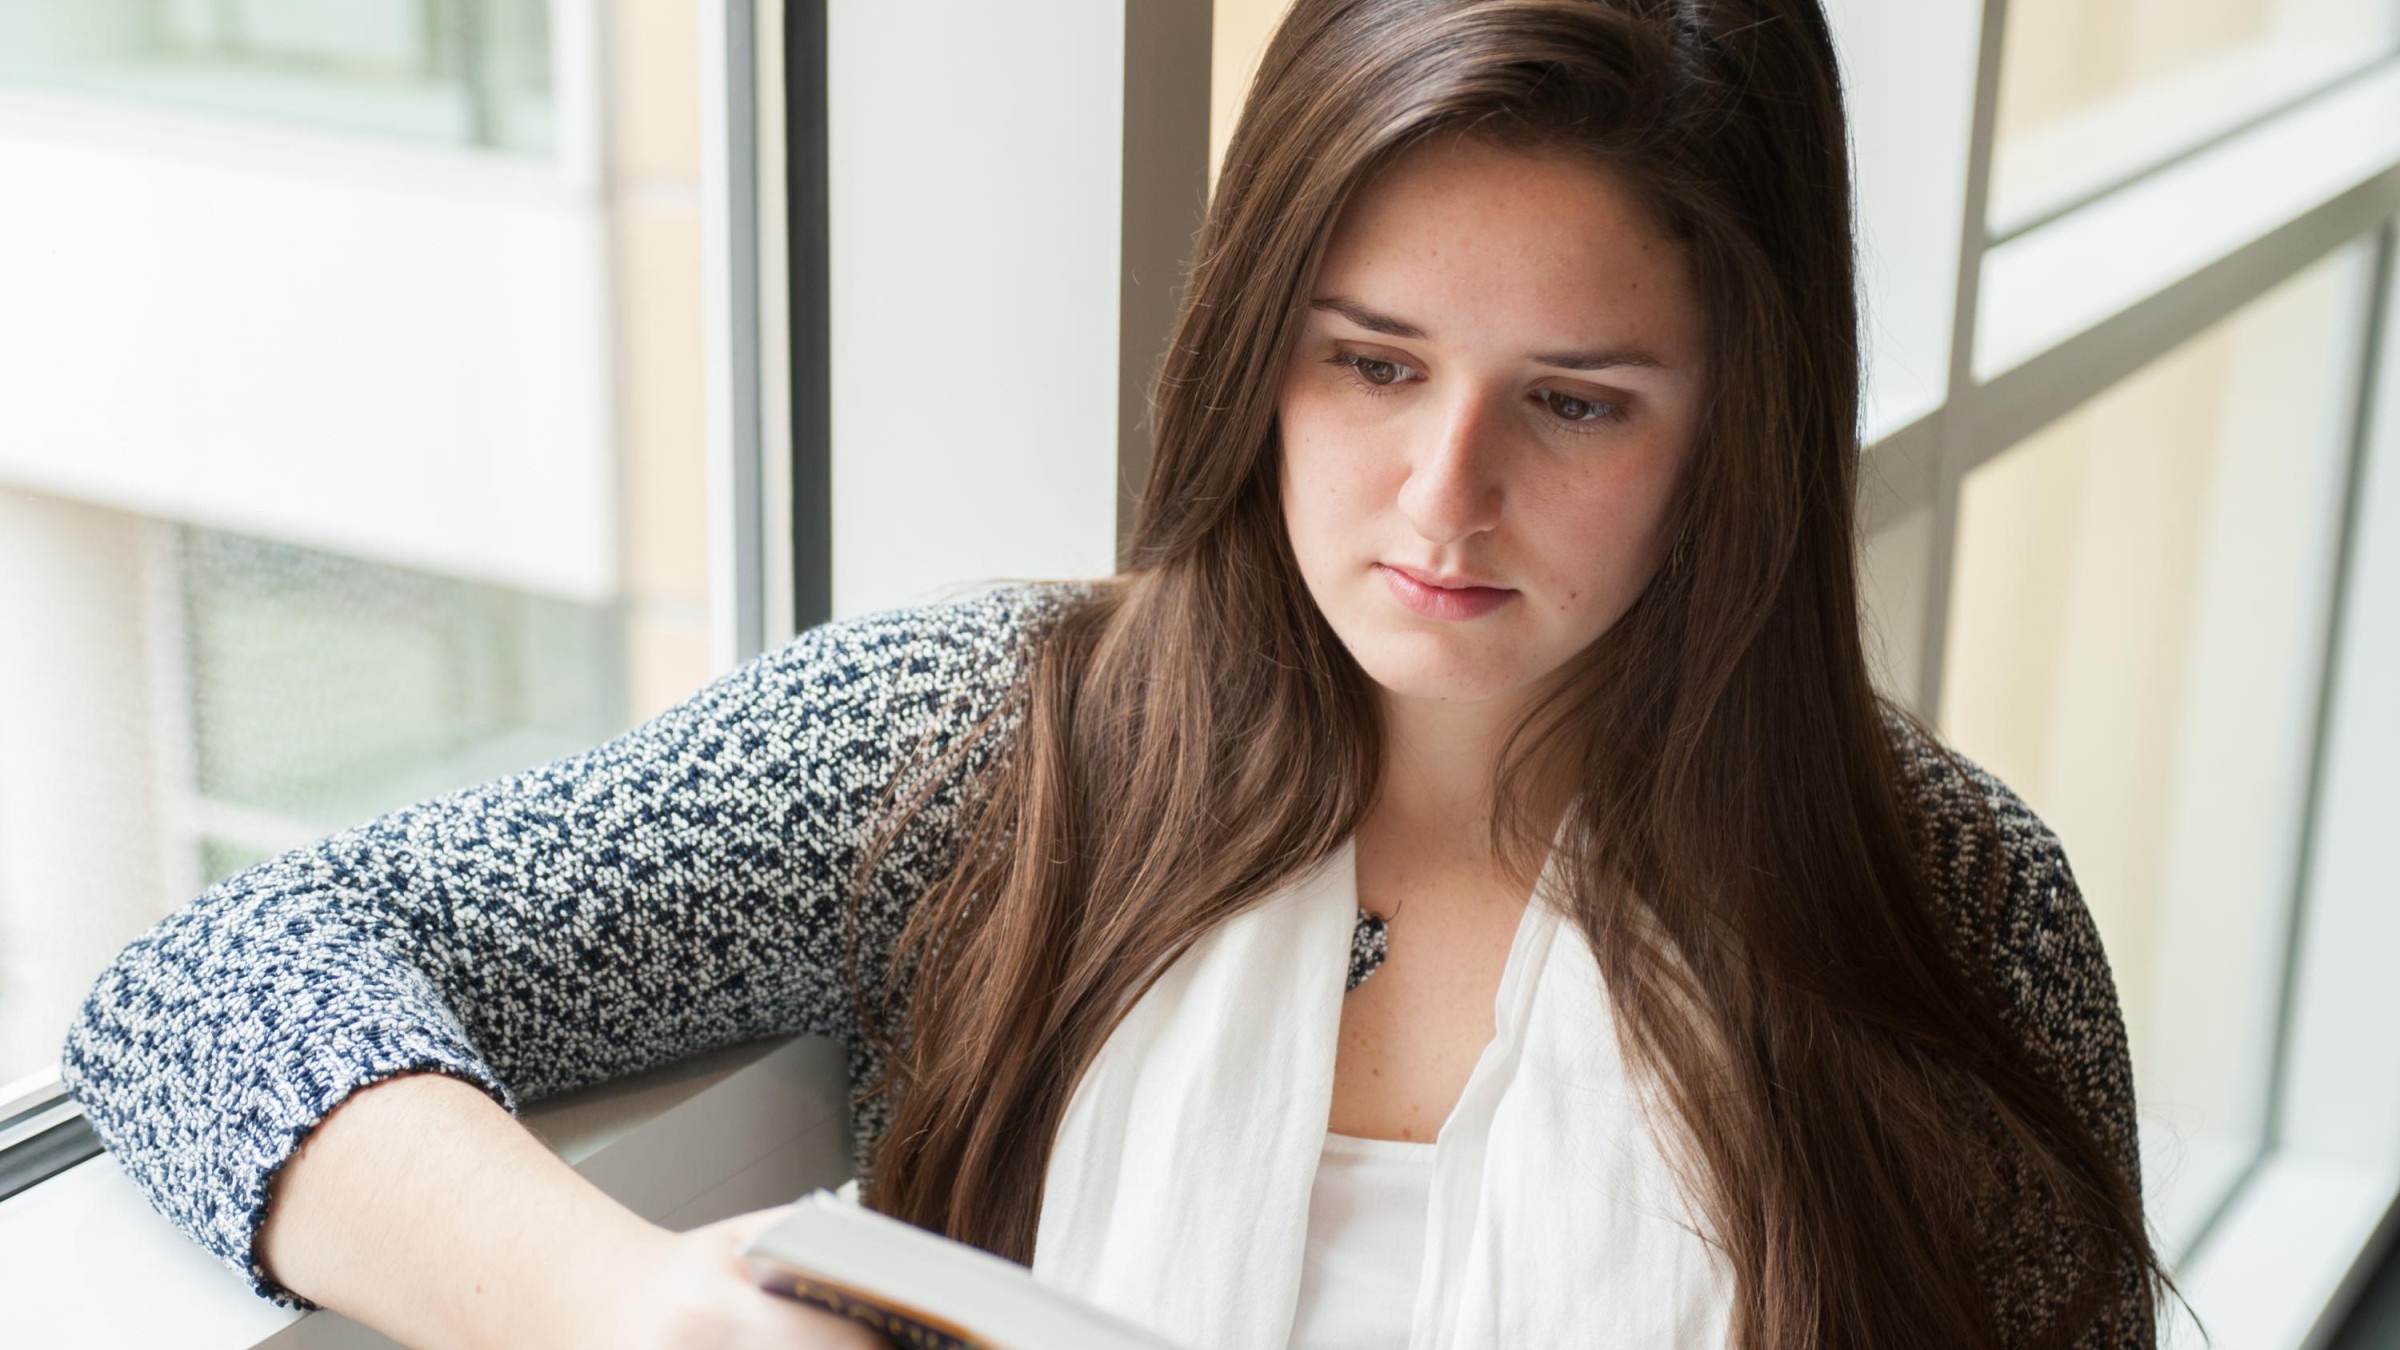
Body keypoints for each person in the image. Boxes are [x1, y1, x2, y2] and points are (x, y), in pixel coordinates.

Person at [60, 1, 2174, 1347]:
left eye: (1582, 404)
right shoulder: (998, 751)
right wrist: (624, 1306)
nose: (1443, 500)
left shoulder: (1959, 913)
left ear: (1744, 422)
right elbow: (218, 985)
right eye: (1369, 365)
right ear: (1253, 335)